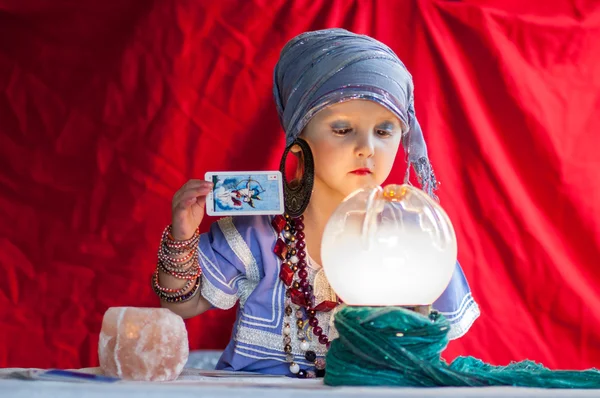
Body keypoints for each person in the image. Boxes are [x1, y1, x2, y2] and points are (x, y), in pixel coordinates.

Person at [152, 28, 480, 378]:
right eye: (342, 129)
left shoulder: (413, 235)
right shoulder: (260, 232)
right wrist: (183, 233)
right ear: (299, 136)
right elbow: (183, 305)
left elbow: (429, 335)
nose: (367, 148)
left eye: (384, 131)